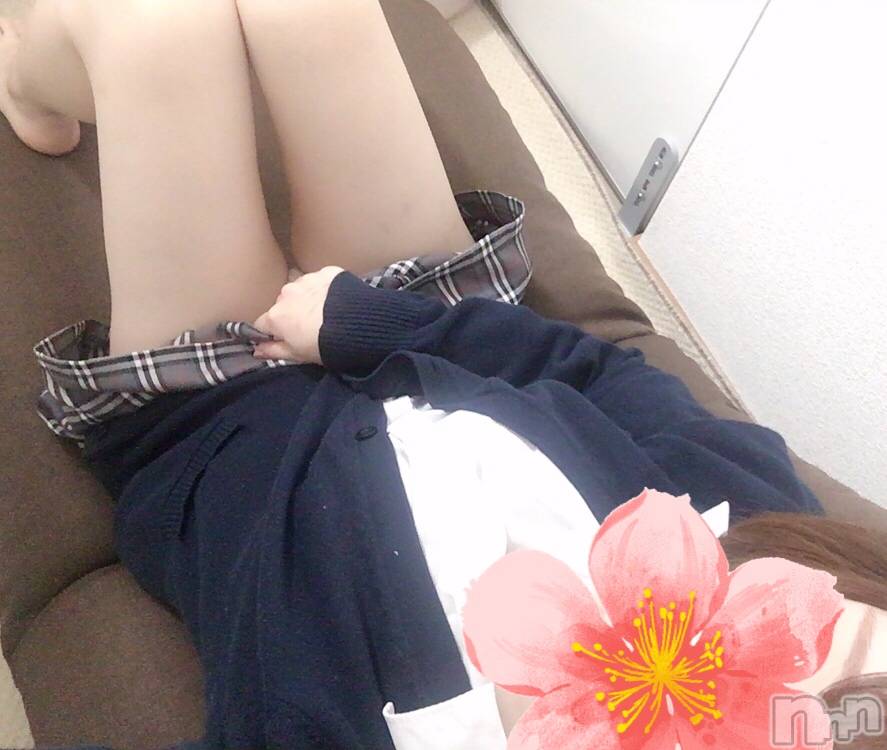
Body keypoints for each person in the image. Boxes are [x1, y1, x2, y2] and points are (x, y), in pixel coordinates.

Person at [2, 1, 885, 747]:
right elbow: (591, 370)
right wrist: (371, 324)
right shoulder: (760, 524)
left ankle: (25, 74)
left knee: (150, 30)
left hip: (221, 417)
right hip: (422, 324)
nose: (790, 674)